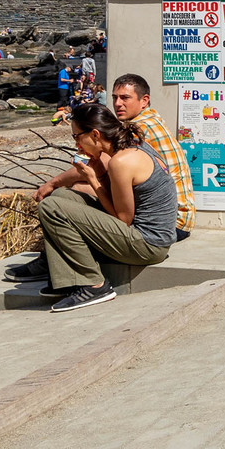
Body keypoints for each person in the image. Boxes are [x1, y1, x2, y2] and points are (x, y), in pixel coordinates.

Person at [23, 101, 178, 312]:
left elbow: (123, 220)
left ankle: (94, 285)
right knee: (61, 196)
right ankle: (68, 279)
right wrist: (97, 176)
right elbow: (117, 202)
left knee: (52, 207)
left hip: (148, 245)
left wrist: (94, 180)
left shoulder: (122, 161)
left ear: (95, 134)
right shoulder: (131, 145)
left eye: (77, 137)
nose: (77, 145)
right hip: (145, 236)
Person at [110, 70, 196, 236]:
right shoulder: (152, 117)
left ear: (144, 101)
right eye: (115, 97)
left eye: (125, 98)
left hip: (170, 223)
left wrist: (56, 182)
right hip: (182, 219)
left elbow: (110, 165)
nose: (118, 103)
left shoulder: (137, 129)